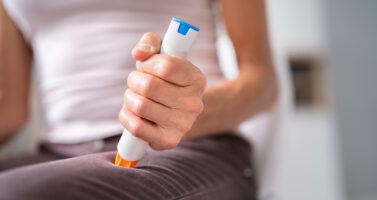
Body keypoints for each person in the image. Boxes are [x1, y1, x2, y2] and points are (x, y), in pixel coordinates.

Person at [0, 0, 277, 199]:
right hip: (57, 152)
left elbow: (263, 84)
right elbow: (12, 111)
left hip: (188, 147)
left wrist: (184, 112)